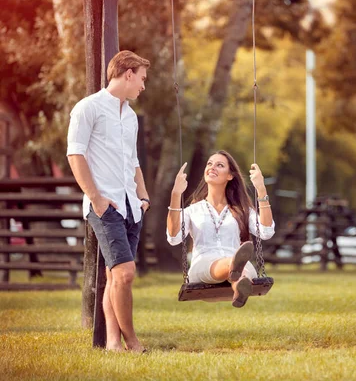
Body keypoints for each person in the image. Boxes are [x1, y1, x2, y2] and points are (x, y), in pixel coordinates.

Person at [67, 50, 150, 352]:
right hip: (105, 207)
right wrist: (97, 199)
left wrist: (143, 196)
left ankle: (113, 342)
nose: (143, 85)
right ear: (128, 74)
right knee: (126, 273)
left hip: (132, 206)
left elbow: (134, 161)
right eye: (141, 79)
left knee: (115, 275)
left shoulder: (130, 116)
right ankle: (133, 341)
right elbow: (75, 154)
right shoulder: (87, 108)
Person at [166, 150, 275, 308]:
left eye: (219, 165)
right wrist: (176, 195)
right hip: (204, 265)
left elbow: (266, 231)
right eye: (209, 164)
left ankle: (239, 287)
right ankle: (235, 269)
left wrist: (261, 190)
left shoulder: (242, 209)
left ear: (230, 175)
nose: (212, 167)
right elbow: (173, 236)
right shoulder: (193, 210)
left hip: (239, 261)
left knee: (241, 271)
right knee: (238, 266)